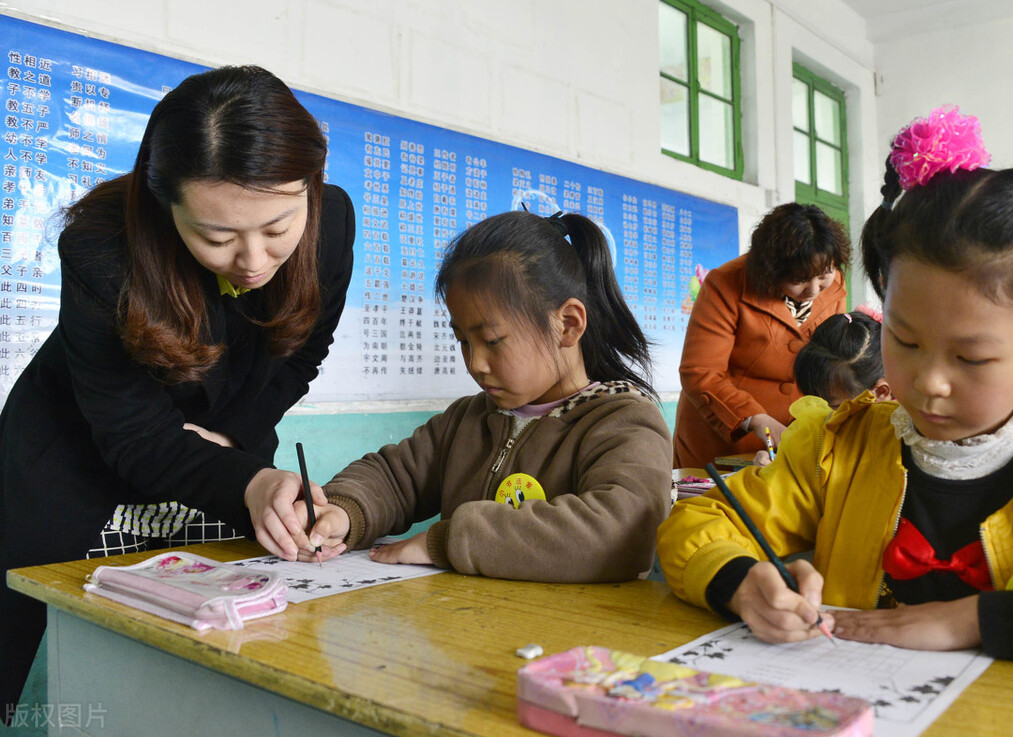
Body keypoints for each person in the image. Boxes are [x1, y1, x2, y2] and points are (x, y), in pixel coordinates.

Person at [656, 106, 1013, 680]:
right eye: (905, 340)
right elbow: (698, 522)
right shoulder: (837, 450)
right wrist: (740, 580)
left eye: (972, 357)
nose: (928, 381)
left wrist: (972, 620)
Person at [0, 64, 355, 719]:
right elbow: (133, 433)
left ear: (311, 186)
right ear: (167, 210)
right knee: (44, 657)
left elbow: (301, 352)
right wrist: (240, 477)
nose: (252, 259)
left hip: (219, 452)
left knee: (226, 646)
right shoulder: (102, 253)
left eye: (277, 228)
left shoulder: (330, 224)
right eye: (216, 237)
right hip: (78, 457)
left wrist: (239, 458)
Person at [256, 210, 674, 582]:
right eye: (463, 341)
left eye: (492, 341)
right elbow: (395, 475)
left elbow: (621, 533)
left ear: (567, 324)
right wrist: (344, 511)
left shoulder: (623, 422)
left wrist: (449, 540)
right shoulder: (469, 419)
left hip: (568, 653)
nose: (475, 364)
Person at [673, 203, 849, 469]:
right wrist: (753, 418)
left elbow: (833, 359)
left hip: (794, 441)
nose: (814, 289)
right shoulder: (726, 284)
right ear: (772, 269)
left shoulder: (834, 285)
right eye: (800, 279)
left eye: (824, 274)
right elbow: (701, 371)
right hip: (723, 440)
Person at [751, 307, 891, 466]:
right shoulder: (820, 424)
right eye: (814, 402)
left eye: (835, 406)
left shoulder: (901, 444)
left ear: (880, 392)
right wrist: (774, 470)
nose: (823, 415)